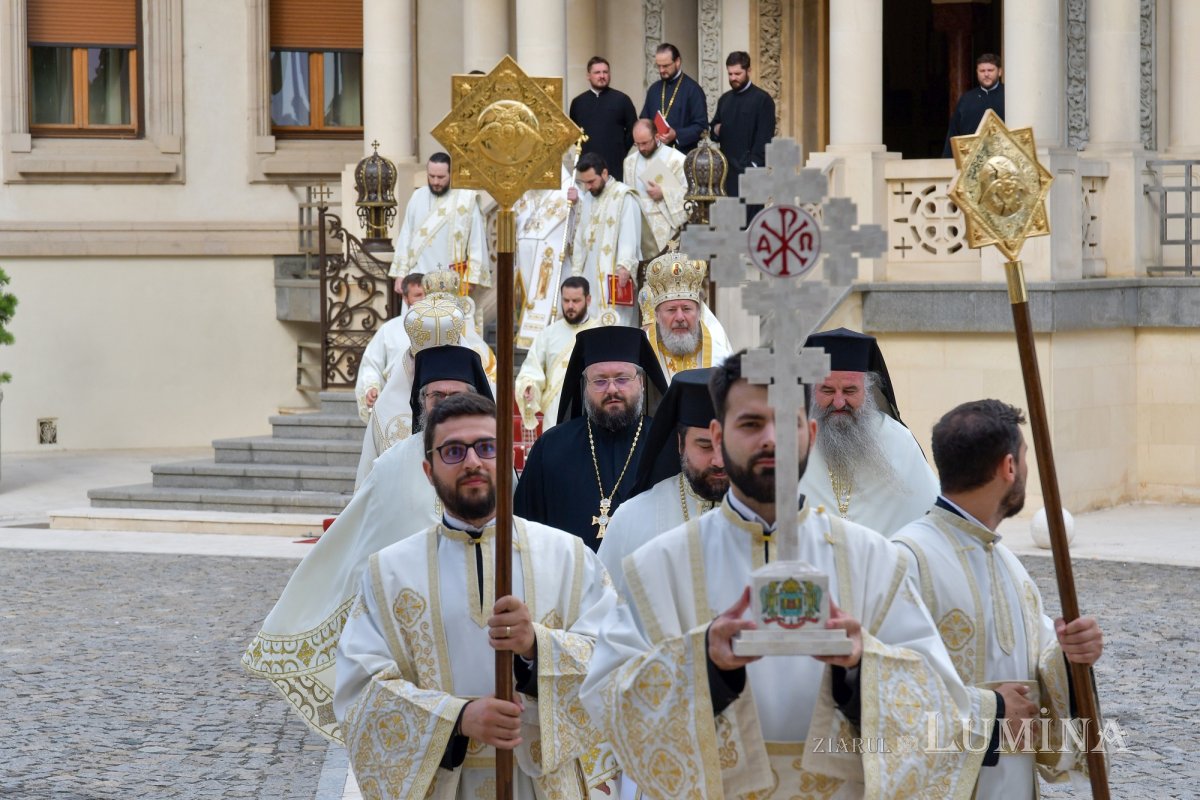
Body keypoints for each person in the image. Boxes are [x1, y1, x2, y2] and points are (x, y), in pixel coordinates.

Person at [581, 350, 1034, 798]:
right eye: (751, 424)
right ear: (718, 436)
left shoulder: (874, 561)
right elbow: (606, 699)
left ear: (810, 433)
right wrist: (705, 663)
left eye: (785, 423)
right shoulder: (659, 566)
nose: (770, 440)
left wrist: (859, 669)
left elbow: (938, 704)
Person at [335, 393, 618, 799]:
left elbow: (615, 660)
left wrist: (536, 647)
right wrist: (458, 719)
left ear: (508, 458)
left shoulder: (569, 557)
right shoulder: (388, 572)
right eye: (453, 451)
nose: (472, 462)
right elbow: (360, 690)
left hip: (539, 784)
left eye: (487, 447)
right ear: (428, 470)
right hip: (445, 785)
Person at [241, 345, 494, 743]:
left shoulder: (497, 468)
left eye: (456, 395)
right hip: (411, 636)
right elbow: (354, 543)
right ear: (421, 401)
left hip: (481, 634)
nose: (446, 405)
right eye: (436, 395)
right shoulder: (391, 466)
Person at [892, 400, 1105, 799]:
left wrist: (1072, 654)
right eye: (1023, 458)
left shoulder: (1010, 566)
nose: (1025, 469)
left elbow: (1041, 664)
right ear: (1009, 467)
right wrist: (989, 713)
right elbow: (886, 690)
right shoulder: (906, 558)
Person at [514, 326, 667, 551]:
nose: (612, 389)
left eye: (622, 378)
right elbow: (523, 532)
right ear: (585, 386)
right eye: (600, 380)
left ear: (641, 382)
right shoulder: (550, 448)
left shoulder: (665, 445)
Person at [355, 271, 498, 485]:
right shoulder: (385, 413)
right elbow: (369, 487)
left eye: (454, 393)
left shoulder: (483, 418)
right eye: (437, 394)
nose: (438, 375)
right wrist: (371, 385)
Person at [597, 368, 727, 598]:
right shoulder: (631, 519)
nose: (719, 460)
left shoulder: (776, 516)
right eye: (705, 446)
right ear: (680, 444)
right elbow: (600, 610)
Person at [799, 327, 939, 536]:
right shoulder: (789, 443)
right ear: (811, 390)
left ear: (868, 390)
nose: (839, 402)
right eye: (827, 391)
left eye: (850, 391)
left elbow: (930, 519)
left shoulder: (899, 441)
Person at [390, 152, 490, 295]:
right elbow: (406, 236)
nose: (436, 182)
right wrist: (400, 274)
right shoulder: (417, 196)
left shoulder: (466, 199)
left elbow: (477, 241)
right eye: (431, 176)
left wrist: (471, 280)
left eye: (441, 177)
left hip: (452, 281)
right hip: (417, 281)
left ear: (451, 174)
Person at [569, 152, 648, 327]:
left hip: (615, 276)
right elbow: (580, 238)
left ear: (604, 173)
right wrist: (576, 274)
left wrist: (624, 266)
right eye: (584, 183)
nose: (588, 187)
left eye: (591, 181)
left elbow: (630, 235)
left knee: (618, 325)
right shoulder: (588, 198)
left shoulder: (623, 196)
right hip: (590, 276)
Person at [515, 277, 600, 434]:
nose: (570, 306)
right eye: (566, 300)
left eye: (576, 301)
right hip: (554, 413)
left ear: (588, 300)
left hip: (591, 409)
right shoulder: (548, 334)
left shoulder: (599, 331)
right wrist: (529, 386)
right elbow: (532, 368)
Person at [641, 249, 733, 380]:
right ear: (657, 316)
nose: (680, 318)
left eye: (686, 309)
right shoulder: (641, 359)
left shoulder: (720, 359)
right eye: (671, 310)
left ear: (699, 313)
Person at [354, 271, 424, 422]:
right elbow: (371, 364)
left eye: (427, 295)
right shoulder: (389, 329)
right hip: (395, 407)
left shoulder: (444, 329)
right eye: (418, 295)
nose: (423, 300)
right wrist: (372, 387)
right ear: (405, 298)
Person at [709, 51, 776, 197]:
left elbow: (765, 138)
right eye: (730, 74)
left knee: (751, 212)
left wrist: (753, 165)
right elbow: (713, 130)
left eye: (737, 74)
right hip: (727, 174)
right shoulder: (724, 100)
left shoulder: (762, 100)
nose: (733, 78)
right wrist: (716, 130)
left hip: (752, 174)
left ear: (748, 71)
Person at [568, 56, 638, 183]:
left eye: (605, 72)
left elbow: (633, 129)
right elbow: (574, 133)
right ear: (588, 76)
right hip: (588, 165)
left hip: (615, 164)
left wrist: (620, 150)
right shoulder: (578, 102)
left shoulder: (622, 100)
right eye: (597, 72)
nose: (602, 76)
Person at [623, 119, 688, 254]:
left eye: (645, 143)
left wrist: (664, 192)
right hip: (639, 228)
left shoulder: (677, 159)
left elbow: (689, 195)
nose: (641, 148)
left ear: (657, 136)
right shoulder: (629, 162)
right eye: (637, 144)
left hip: (667, 227)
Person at [639, 43, 708, 154]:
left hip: (682, 156)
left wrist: (676, 134)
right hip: (654, 155)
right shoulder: (654, 89)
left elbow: (701, 128)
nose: (661, 70)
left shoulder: (693, 89)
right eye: (658, 66)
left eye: (665, 66)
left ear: (677, 62)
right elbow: (645, 119)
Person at [943, 53, 1005, 158]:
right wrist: (948, 158)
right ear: (977, 72)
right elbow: (954, 131)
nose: (986, 74)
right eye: (982, 71)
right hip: (971, 158)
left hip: (1003, 159)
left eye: (990, 70)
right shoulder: (966, 99)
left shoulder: (1009, 97)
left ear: (999, 72)